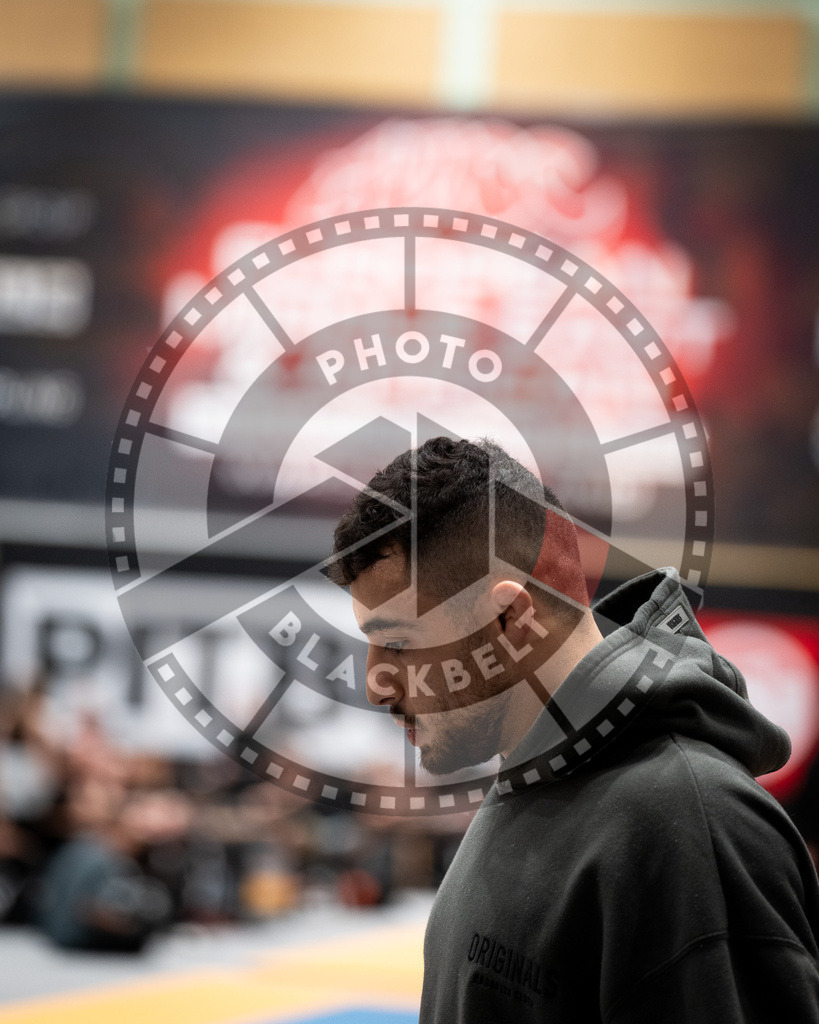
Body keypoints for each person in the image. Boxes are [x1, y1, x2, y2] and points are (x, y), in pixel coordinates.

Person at [327, 436, 819, 1023]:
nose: (375, 684)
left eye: (399, 644)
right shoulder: (538, 784)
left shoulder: (691, 824)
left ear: (508, 620)